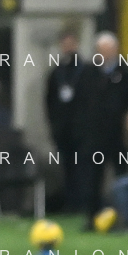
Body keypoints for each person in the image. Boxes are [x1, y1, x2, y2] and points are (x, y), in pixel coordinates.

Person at [74, 32, 128, 231]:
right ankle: (92, 217)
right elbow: (80, 102)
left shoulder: (124, 73)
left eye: (109, 50)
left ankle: (124, 217)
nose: (106, 54)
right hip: (93, 135)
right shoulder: (88, 73)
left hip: (118, 135)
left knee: (122, 176)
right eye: (102, 50)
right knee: (92, 178)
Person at [45, 32, 84, 212]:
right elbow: (50, 101)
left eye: (70, 43)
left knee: (82, 166)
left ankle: (82, 201)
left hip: (81, 130)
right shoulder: (57, 72)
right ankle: (70, 202)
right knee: (67, 166)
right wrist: (54, 125)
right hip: (63, 130)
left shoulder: (84, 70)